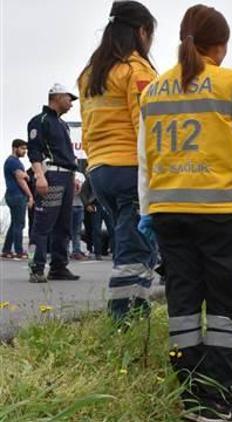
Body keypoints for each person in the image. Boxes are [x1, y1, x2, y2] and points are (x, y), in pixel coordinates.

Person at [137, 5, 232, 420]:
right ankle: (215, 398)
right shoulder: (228, 82)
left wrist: (147, 210)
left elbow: (145, 159)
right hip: (221, 214)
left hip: (168, 213)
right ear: (220, 45)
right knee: (223, 308)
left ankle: (189, 394)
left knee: (183, 301)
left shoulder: (153, 90)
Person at [78, 0, 157, 317]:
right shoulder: (136, 70)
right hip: (130, 169)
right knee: (134, 248)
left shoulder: (89, 74)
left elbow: (86, 127)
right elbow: (148, 124)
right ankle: (122, 317)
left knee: (135, 244)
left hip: (99, 171)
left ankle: (137, 310)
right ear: (141, 31)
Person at [26, 84, 80, 283]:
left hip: (66, 177)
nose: (71, 104)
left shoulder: (63, 125)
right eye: (69, 98)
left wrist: (73, 177)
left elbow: (68, 156)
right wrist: (40, 176)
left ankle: (58, 267)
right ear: (56, 97)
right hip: (51, 176)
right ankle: (36, 267)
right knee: (42, 225)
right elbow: (34, 150)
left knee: (63, 225)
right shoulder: (39, 121)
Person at [2, 139, 34, 259]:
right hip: (17, 196)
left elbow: (24, 176)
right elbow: (21, 179)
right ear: (15, 148)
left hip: (12, 195)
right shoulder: (13, 162)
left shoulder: (13, 162)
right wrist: (30, 196)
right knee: (19, 224)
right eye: (22, 148)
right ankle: (19, 251)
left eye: (25, 149)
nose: (25, 151)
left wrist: (25, 175)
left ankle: (6, 250)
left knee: (14, 224)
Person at [69, 171, 87, 260]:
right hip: (68, 206)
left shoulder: (80, 175)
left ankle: (76, 251)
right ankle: (64, 251)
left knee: (77, 231)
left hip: (79, 205)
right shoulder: (66, 174)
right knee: (66, 230)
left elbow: (85, 190)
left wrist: (79, 187)